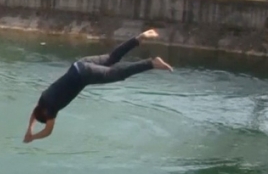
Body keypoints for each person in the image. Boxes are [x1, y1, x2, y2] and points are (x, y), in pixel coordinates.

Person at [23, 29, 173, 143]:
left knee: (117, 74)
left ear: (46, 116)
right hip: (79, 64)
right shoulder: (43, 98)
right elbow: (34, 112)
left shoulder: (51, 110)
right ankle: (139, 38)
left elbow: (48, 132)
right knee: (112, 57)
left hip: (85, 75)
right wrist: (29, 129)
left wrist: (33, 137)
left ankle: (151, 63)